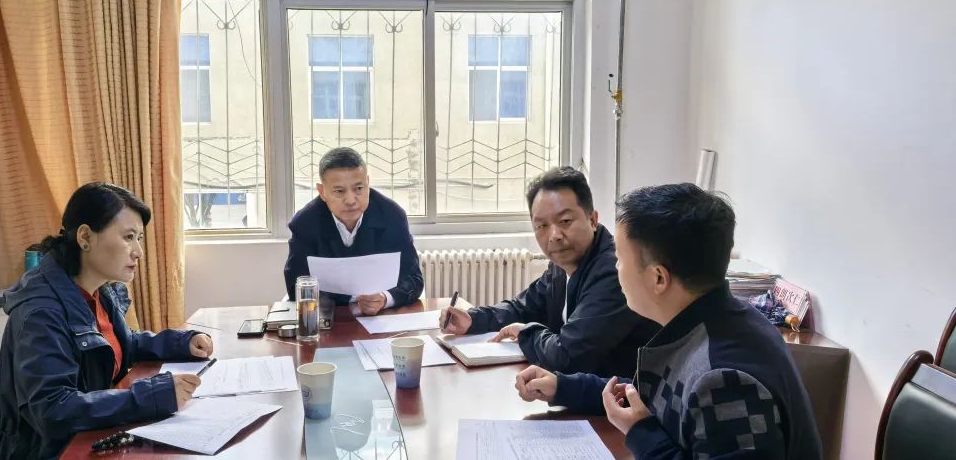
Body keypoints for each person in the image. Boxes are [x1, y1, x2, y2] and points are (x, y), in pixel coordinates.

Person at [514, 183, 822, 459]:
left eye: (619, 259)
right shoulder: (709, 322)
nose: (614, 269)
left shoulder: (724, 380)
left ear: (658, 278)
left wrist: (641, 433)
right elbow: (651, 397)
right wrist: (563, 387)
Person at [0, 183, 215, 460]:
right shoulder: (41, 311)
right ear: (85, 237)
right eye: (128, 237)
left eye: (139, 238)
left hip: (85, 439)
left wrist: (182, 342)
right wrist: (150, 396)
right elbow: (53, 410)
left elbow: (118, 344)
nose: (138, 251)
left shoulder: (97, 289)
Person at [439, 167, 658, 376]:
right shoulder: (562, 264)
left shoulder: (613, 272)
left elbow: (568, 357)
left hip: (617, 398)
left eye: (565, 221)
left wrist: (526, 333)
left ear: (592, 220)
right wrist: (473, 319)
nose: (554, 235)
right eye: (542, 226)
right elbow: (523, 307)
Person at [284, 147, 423, 315]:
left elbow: (414, 279)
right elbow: (295, 287)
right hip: (329, 318)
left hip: (381, 318)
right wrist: (352, 297)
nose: (350, 200)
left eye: (359, 188)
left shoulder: (392, 216)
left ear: (368, 183)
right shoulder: (305, 223)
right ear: (322, 192)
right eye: (339, 191)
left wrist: (384, 298)